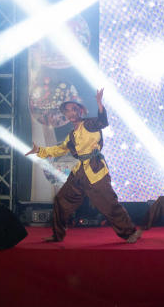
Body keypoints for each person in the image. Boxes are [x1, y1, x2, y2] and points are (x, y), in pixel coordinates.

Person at [26, 89, 140, 243]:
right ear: (65, 114)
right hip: (79, 173)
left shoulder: (90, 124)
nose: (71, 113)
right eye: (68, 111)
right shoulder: (71, 136)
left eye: (74, 109)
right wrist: (39, 150)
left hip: (95, 170)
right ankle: (57, 235)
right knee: (61, 200)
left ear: (80, 111)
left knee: (109, 203)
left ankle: (130, 232)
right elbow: (59, 149)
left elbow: (103, 122)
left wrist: (99, 104)